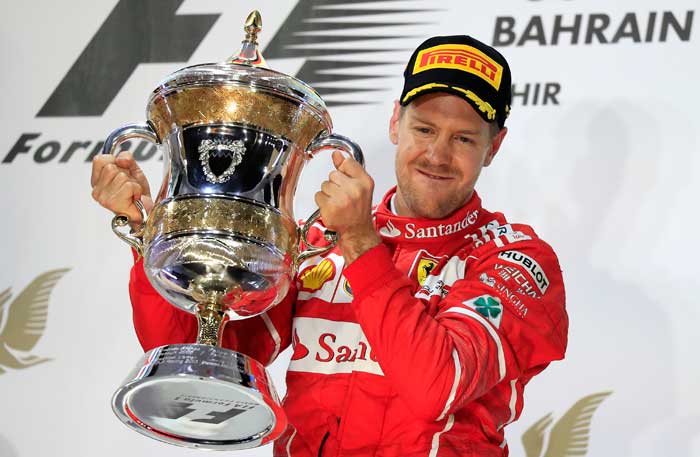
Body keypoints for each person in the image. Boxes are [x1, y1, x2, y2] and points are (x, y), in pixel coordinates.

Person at [91, 35, 568, 456]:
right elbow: (202, 357)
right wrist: (152, 232)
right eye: (424, 129)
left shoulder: (514, 261)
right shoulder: (320, 243)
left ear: (494, 146)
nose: (438, 155)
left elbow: (436, 387)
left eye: (463, 138)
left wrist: (361, 243)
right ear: (395, 123)